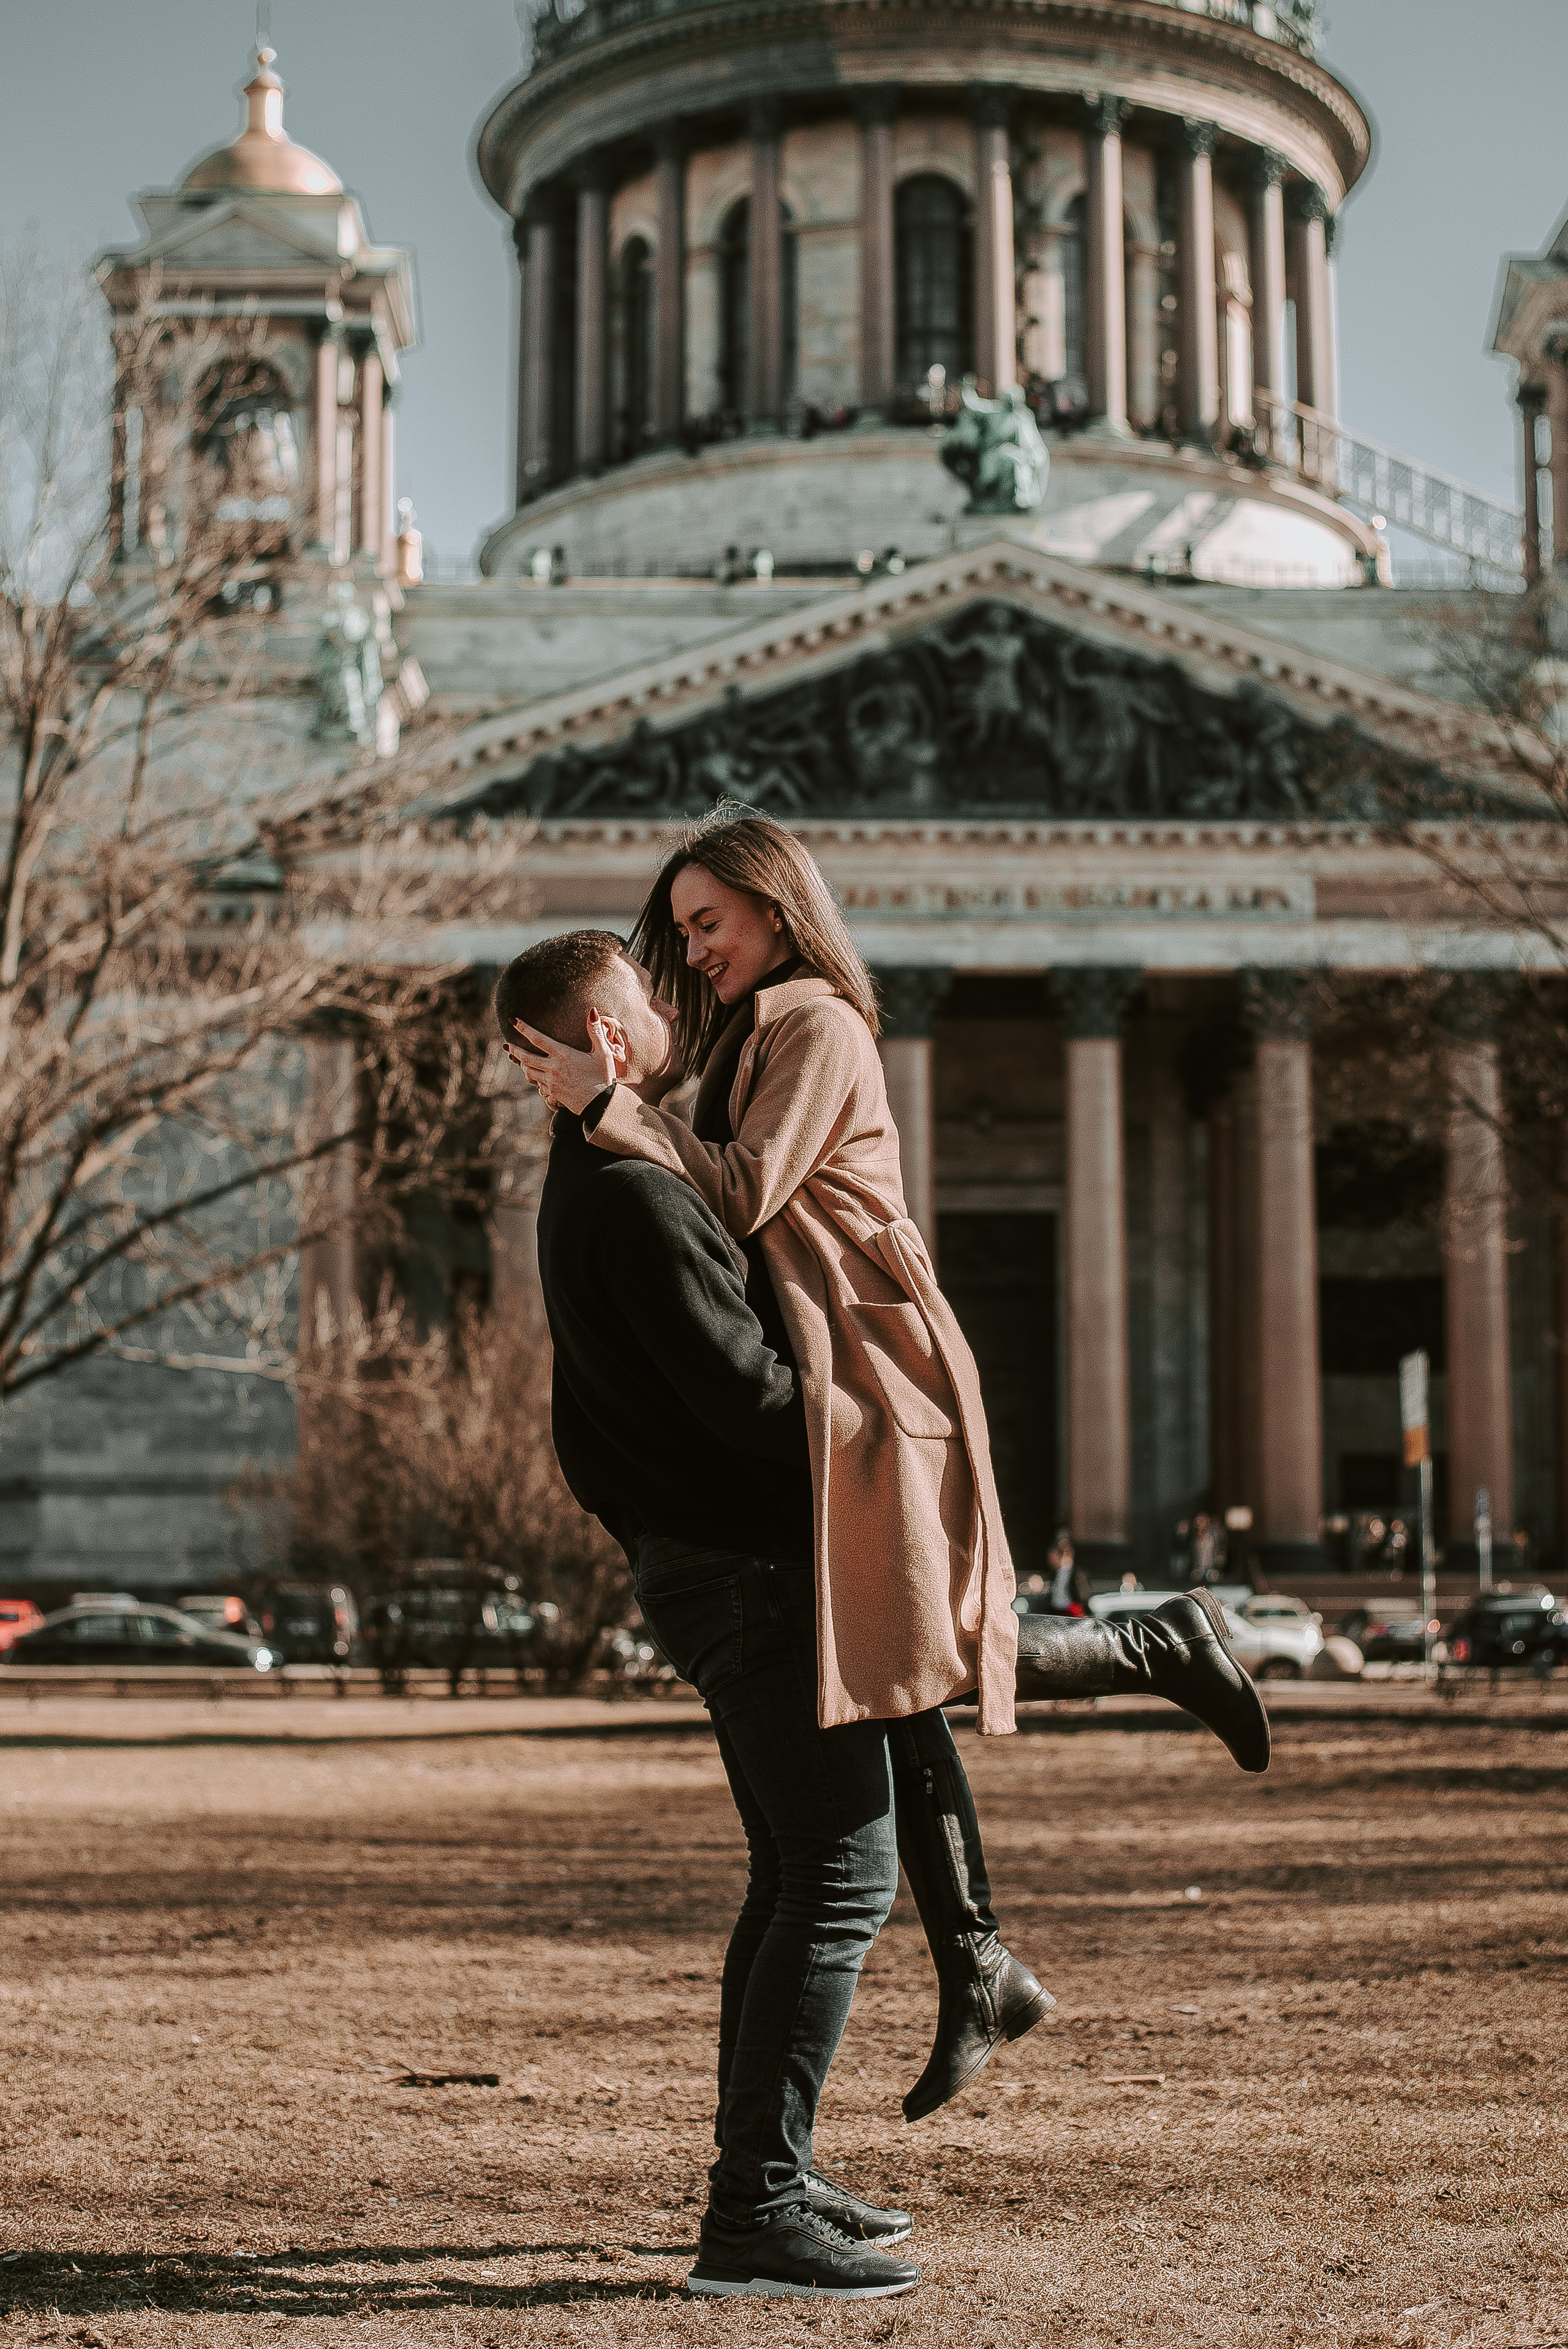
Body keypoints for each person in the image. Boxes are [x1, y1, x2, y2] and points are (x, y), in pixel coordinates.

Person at [508, 819, 1269, 2025]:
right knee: (897, 1671)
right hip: (823, 1353)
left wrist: (613, 1105)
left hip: (856, 1360)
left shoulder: (810, 1019)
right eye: (681, 930)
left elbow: (744, 1194)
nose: (693, 951)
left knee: (923, 1652)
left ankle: (1158, 1650)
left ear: (772, 904)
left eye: (708, 923)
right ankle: (976, 1964)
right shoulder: (755, 1037)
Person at [499, 929, 950, 2299]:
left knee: (791, 1878)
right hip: (749, 1571)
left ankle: (775, 2170)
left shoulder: (595, 1178)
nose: (680, 998)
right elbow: (748, 1403)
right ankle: (752, 2213)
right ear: (607, 1030)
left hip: (712, 1563)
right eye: (650, 991)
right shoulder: (636, 1195)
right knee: (837, 1878)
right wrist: (884, 1426)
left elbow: (596, 1432)